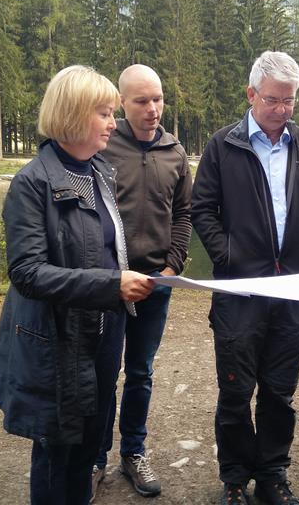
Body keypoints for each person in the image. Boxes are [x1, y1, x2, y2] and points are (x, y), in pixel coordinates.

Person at [0, 65, 155, 505]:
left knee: (88, 446)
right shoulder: (33, 182)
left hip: (103, 336)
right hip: (57, 342)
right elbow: (27, 272)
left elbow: (102, 246)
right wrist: (111, 285)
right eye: (104, 113)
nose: (113, 123)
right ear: (74, 114)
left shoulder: (100, 171)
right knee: (56, 452)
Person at [191, 51, 299, 505]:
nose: (282, 109)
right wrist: (228, 256)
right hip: (240, 293)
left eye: (289, 100)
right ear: (251, 94)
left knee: (280, 392)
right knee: (236, 390)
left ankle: (272, 475)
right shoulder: (224, 145)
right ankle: (235, 478)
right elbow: (202, 208)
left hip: (292, 291)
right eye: (273, 99)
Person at [93, 64, 192, 499]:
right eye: (141, 101)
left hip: (155, 283)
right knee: (101, 373)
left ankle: (133, 452)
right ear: (122, 103)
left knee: (140, 372)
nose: (153, 109)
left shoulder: (175, 152)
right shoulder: (103, 146)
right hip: (109, 284)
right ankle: (95, 458)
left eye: (158, 99)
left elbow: (184, 214)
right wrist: (106, 275)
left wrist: (171, 268)